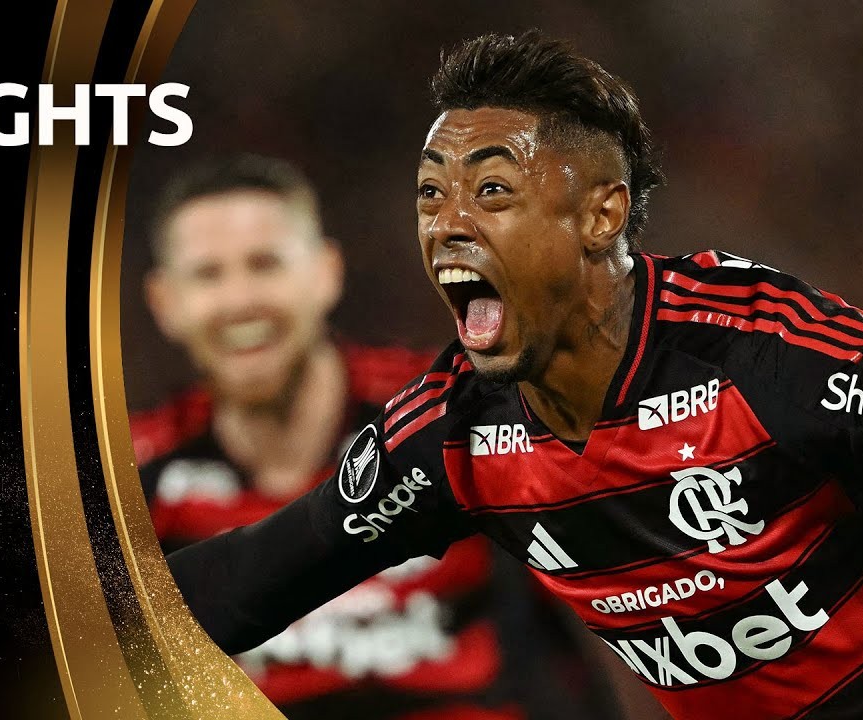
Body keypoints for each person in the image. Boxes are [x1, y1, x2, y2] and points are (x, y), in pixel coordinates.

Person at [166, 30, 863, 720]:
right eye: (432, 193)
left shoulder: (757, 350)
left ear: (601, 217)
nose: (447, 225)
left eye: (492, 191)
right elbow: (249, 580)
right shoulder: (459, 435)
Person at [132, 154, 628, 719]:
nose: (240, 300)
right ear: (164, 303)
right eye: (207, 275)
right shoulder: (127, 485)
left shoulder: (452, 417)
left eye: (265, 264)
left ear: (326, 273)